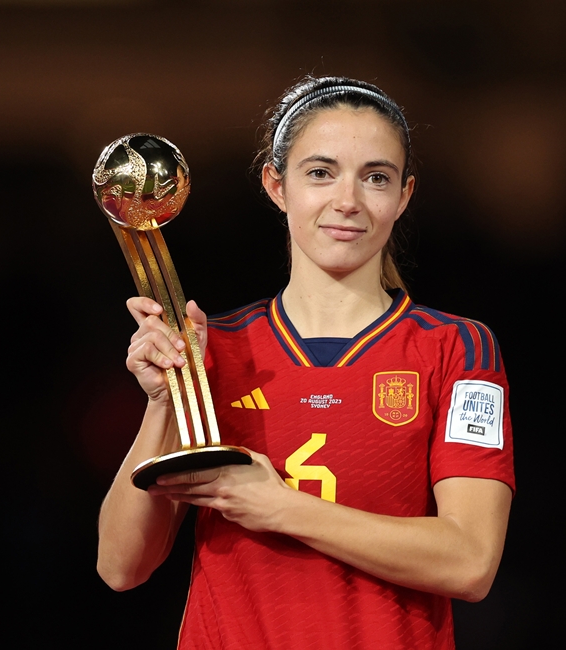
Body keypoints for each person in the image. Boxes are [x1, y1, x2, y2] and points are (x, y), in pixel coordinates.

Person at [96, 76, 515, 649]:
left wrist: (279, 507)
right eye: (321, 172)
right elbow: (121, 566)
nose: (348, 200)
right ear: (277, 184)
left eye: (376, 177)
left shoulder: (456, 348)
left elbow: (470, 562)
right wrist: (164, 402)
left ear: (404, 195)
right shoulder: (213, 348)